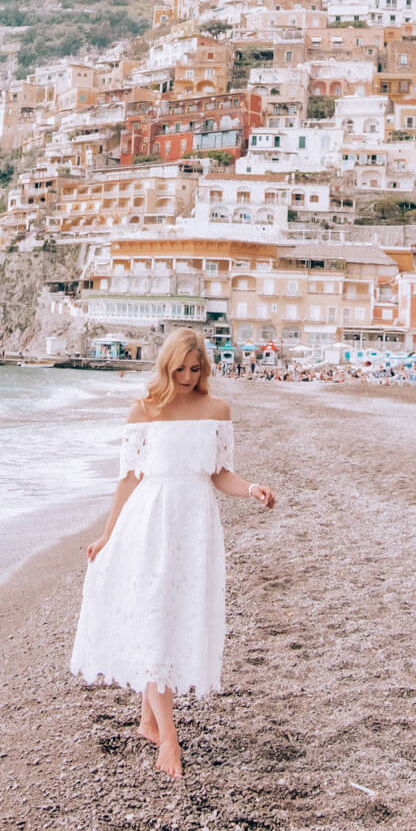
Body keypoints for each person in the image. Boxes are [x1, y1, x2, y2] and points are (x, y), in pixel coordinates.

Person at [70, 326, 276, 780]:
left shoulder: (216, 410)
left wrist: (251, 489)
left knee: (173, 614)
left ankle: (148, 719)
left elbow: (220, 474)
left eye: (194, 368)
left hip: (195, 525)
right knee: (154, 613)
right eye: (178, 368)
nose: (186, 376)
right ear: (166, 366)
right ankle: (168, 737)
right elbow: (129, 478)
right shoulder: (143, 410)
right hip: (150, 523)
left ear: (205, 368)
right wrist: (107, 536)